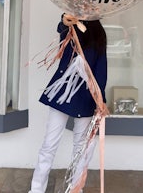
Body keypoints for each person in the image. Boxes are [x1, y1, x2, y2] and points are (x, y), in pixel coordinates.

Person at [29, 13, 107, 193]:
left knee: (82, 148)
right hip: (62, 92)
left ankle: (76, 189)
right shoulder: (70, 27)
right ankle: (36, 190)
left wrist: (100, 99)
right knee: (49, 144)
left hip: (86, 96)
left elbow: (101, 67)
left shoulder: (99, 35)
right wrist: (64, 20)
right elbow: (63, 29)